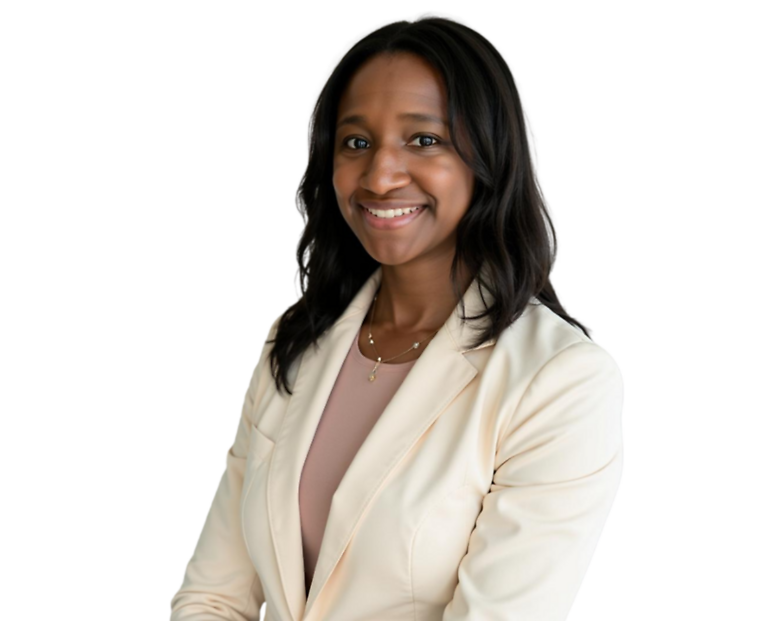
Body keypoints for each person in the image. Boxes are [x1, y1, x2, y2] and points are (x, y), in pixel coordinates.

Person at [168, 11, 625, 620]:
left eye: (424, 139)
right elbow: (213, 595)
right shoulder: (292, 341)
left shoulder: (561, 381)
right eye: (356, 142)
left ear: (488, 156)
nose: (380, 176)